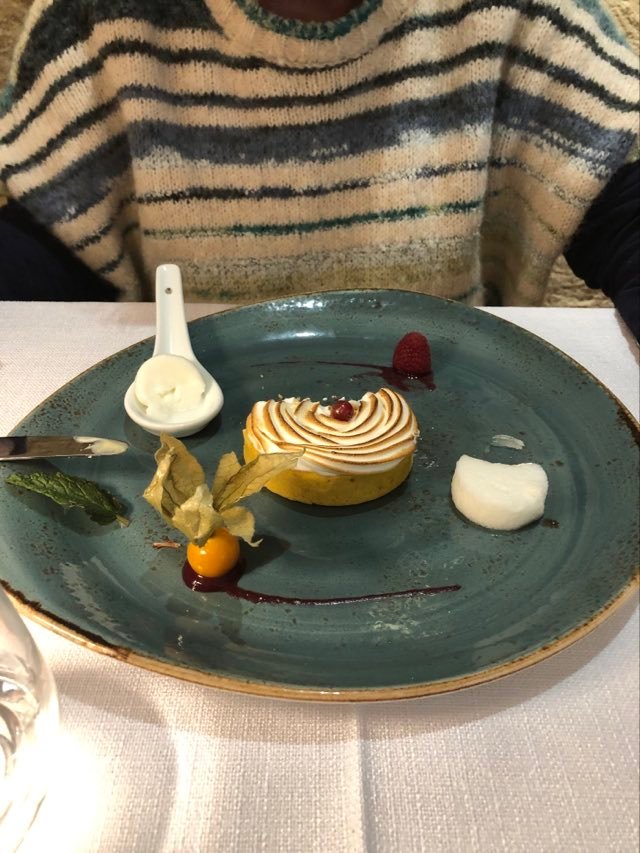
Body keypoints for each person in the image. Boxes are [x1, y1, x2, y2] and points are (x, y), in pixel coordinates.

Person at [0, 0, 638, 338]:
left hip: (452, 401)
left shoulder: (520, 11)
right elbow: (54, 236)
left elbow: (618, 201)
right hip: (186, 411)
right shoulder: (93, 18)